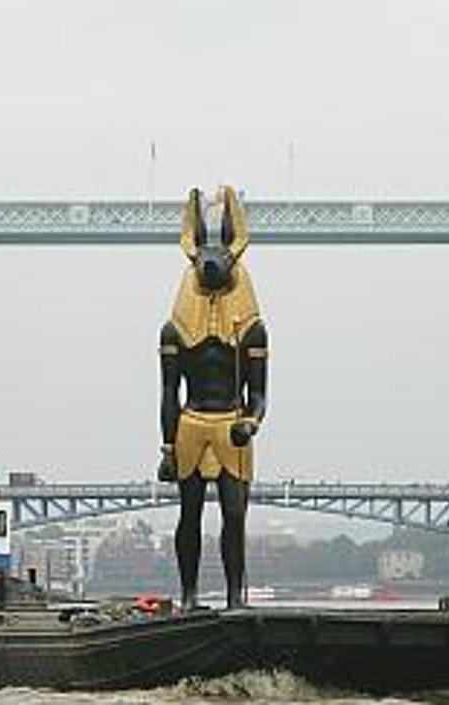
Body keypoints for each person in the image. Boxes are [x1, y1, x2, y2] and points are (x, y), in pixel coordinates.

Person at [157, 186, 269, 611]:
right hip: (190, 424)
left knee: (234, 515)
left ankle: (234, 596)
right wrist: (168, 448)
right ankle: (188, 596)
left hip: (232, 424)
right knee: (189, 515)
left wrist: (251, 423)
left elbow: (259, 394)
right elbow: (169, 392)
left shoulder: (253, 329)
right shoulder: (174, 330)